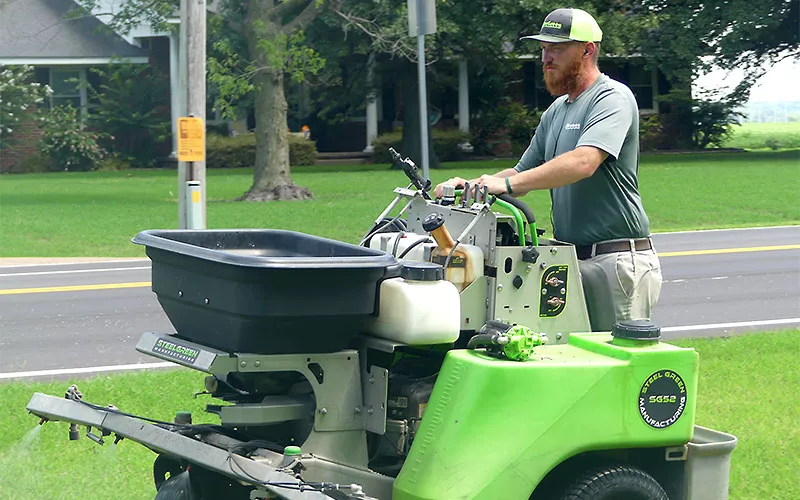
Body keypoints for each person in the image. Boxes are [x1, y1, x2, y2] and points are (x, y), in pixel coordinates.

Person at [434, 8, 662, 332]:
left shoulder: (612, 98)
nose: (546, 58)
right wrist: (469, 186)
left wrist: (508, 185)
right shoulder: (557, 110)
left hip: (616, 261)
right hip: (570, 261)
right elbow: (522, 173)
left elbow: (584, 162)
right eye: (543, 49)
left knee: (619, 366)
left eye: (556, 48)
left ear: (587, 49)